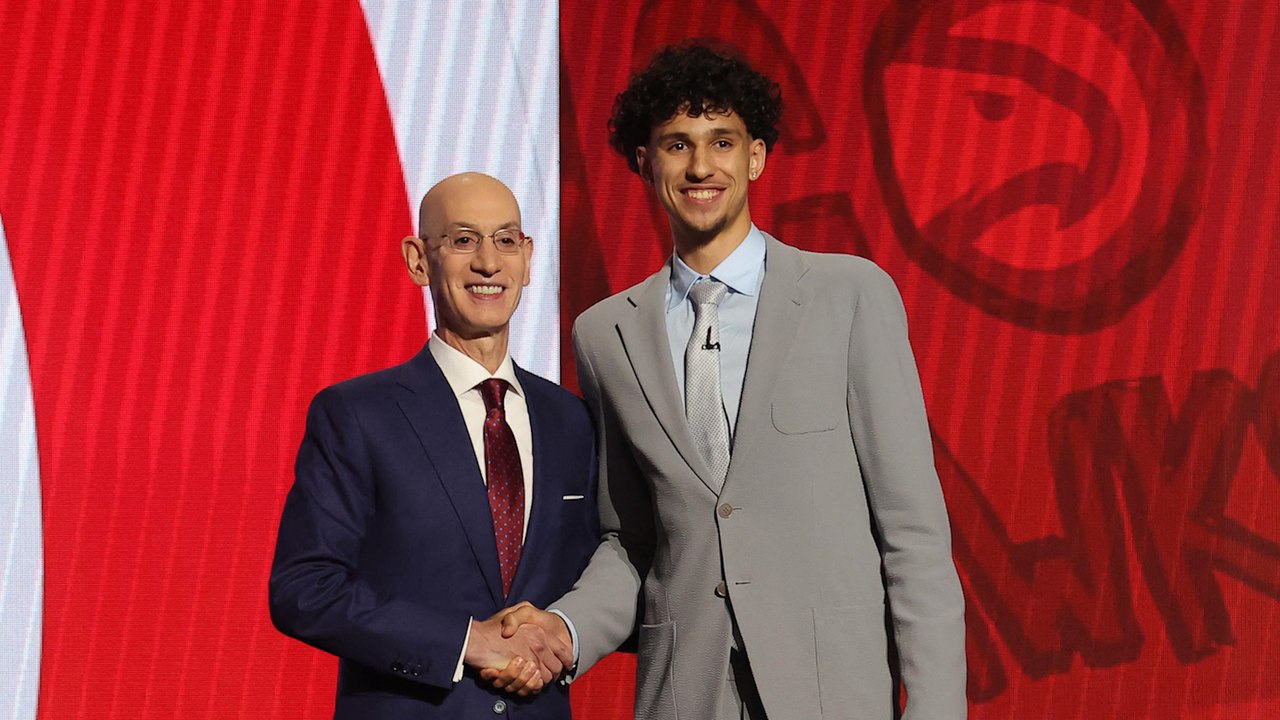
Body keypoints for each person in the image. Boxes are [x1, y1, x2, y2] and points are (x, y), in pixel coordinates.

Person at [494, 44, 967, 719]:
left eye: (722, 140)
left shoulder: (849, 294)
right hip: (686, 694)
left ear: (756, 156)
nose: (700, 165)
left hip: (834, 694)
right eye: (677, 144)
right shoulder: (604, 334)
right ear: (644, 160)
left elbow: (913, 533)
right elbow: (632, 543)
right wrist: (563, 631)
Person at [269, 172, 598, 719]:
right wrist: (467, 641)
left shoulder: (570, 419)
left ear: (528, 257)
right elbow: (304, 589)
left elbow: (597, 572)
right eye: (464, 240)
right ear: (419, 259)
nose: (489, 263)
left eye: (506, 239)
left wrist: (565, 634)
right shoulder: (357, 414)